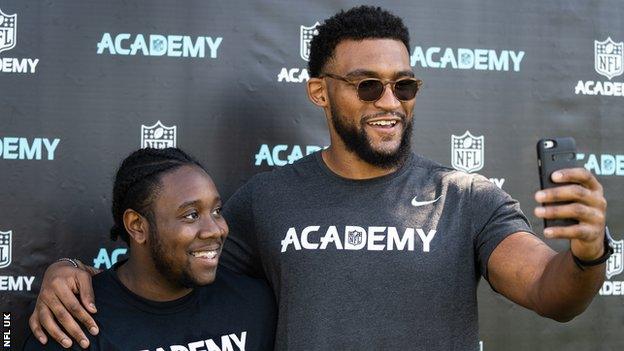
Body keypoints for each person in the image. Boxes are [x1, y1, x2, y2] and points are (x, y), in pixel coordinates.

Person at [29, 6, 610, 350]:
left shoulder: (468, 198)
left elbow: (548, 293)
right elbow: (176, 266)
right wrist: (71, 269)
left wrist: (586, 255)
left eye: (403, 85)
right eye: (367, 84)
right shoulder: (266, 199)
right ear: (319, 93)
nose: (390, 101)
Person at [24, 148, 276, 350]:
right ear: (137, 226)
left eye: (217, 211)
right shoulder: (74, 322)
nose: (215, 229)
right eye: (191, 215)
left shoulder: (254, 305)